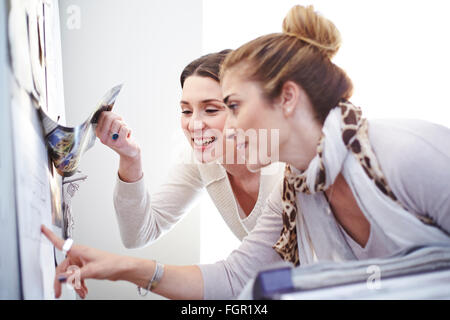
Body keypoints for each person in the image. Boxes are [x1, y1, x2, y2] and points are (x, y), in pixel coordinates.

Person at [42, 5, 450, 300]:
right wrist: (119, 268)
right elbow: (235, 278)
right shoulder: (296, 192)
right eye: (187, 110)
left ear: (287, 98)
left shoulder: (405, 154)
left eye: (231, 107)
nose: (226, 129)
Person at [96, 49, 284, 248]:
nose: (194, 124)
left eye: (210, 110)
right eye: (186, 111)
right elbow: (139, 235)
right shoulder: (200, 159)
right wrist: (130, 156)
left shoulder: (285, 166)